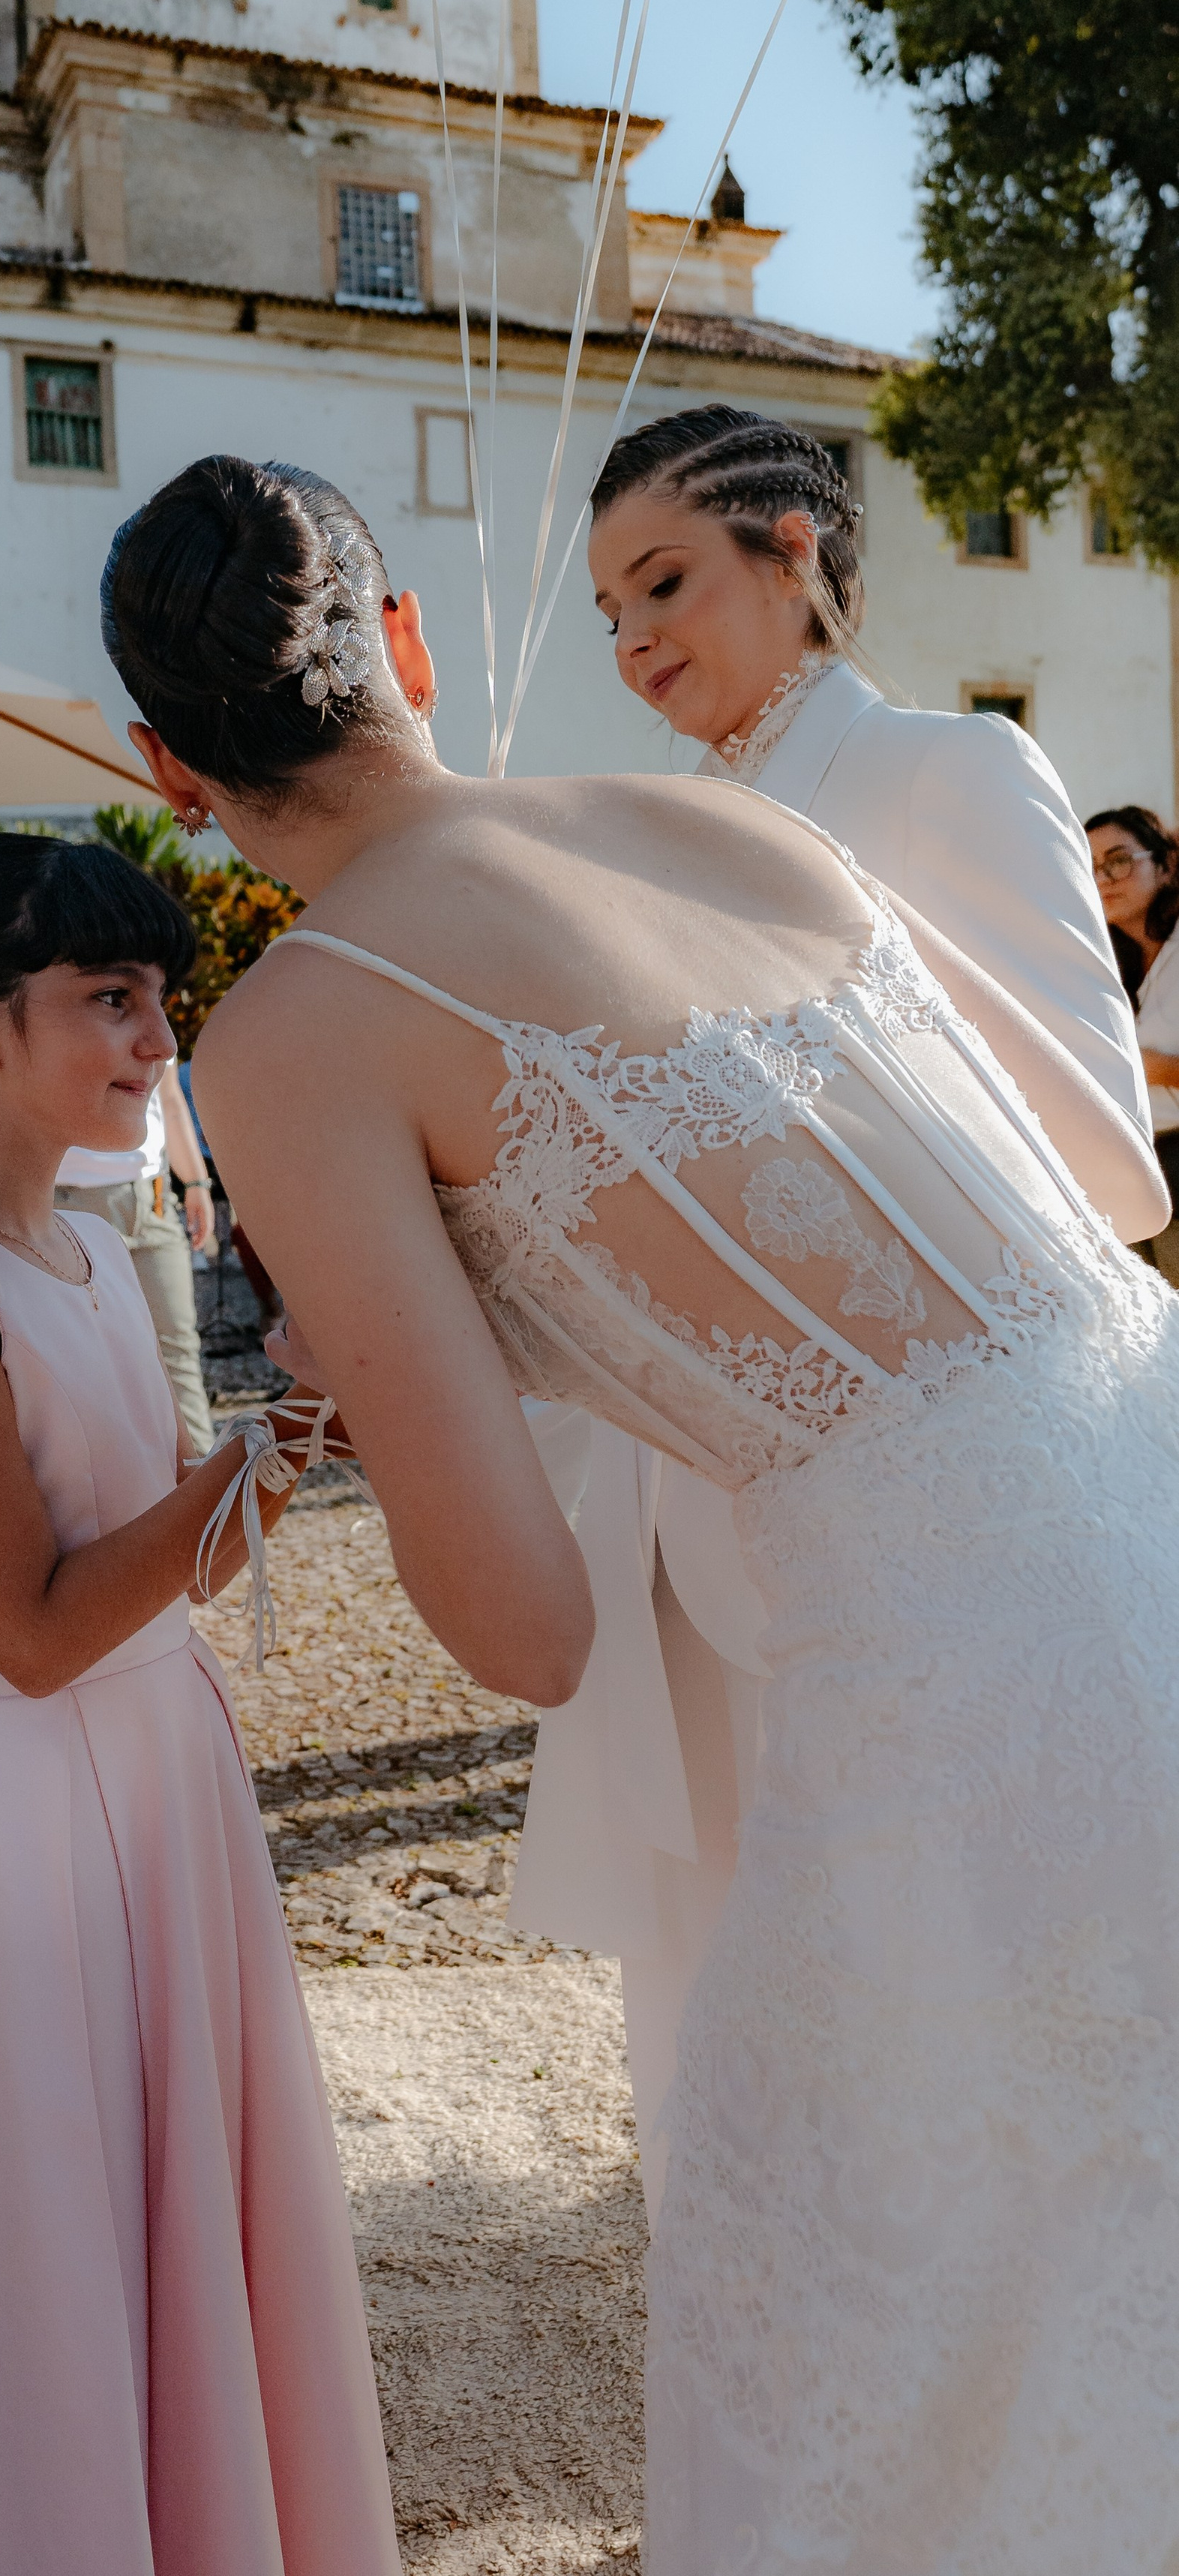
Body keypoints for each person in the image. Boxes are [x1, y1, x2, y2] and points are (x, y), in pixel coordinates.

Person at [104, 452, 1178, 2571]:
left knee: (877, 2333)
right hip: (1146, 1444)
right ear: (408, 646)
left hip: (952, 1663)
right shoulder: (726, 815)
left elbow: (526, 1624)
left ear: (161, 764)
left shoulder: (295, 1036)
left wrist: (388, 1376)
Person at [0, 834, 400, 2576]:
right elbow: (27, 1627)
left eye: (156, 1000)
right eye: (107, 1001)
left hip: (160, 1771)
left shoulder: (99, 1248)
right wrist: (230, 1471)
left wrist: (289, 1443)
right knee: (39, 2239)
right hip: (16, 1809)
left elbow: (160, 1550)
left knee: (177, 2211)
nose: (150, 1039)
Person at [530, 404, 1156, 2214]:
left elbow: (1104, 1170)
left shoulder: (944, 773)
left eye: (663, 580)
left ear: (791, 549)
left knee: (956, 2022)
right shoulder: (660, 831)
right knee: (744, 2016)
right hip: (699, 1491)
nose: (635, 638)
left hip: (934, 1502)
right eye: (605, 610)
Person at [55, 1067, 217, 1450]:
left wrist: (195, 1181)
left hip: (153, 1198)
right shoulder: (60, 1009)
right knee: (85, 1361)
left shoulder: (153, 1018)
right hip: (68, 1202)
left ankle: (207, 1487)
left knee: (177, 1349)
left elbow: (171, 1101)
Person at [1088, 802, 1179, 1284]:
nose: (1104, 878)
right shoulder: (1107, 975)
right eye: (1090, 867)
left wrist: (1151, 1068)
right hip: (1138, 1175)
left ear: (1163, 864)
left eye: (1119, 860)